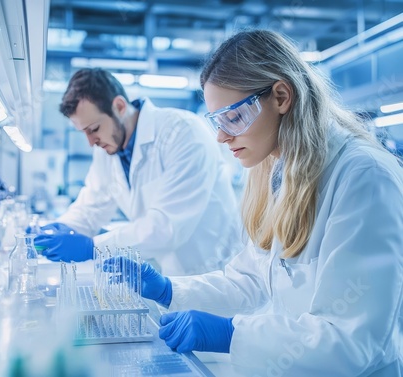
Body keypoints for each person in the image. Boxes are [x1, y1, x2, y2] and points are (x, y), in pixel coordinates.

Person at [104, 30, 403, 376]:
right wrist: (170, 288)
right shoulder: (278, 170)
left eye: (233, 117)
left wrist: (232, 335)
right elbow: (251, 279)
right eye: (217, 121)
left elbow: (351, 340)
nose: (221, 135)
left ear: (280, 96)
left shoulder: (363, 176)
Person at [34, 68, 244, 275]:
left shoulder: (183, 133)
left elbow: (166, 227)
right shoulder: (108, 148)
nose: (90, 143)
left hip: (212, 271)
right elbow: (92, 206)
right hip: (166, 272)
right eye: (84, 133)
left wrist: (92, 247)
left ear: (119, 106)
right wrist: (55, 230)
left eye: (94, 129)